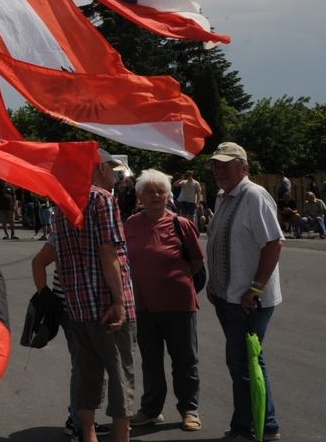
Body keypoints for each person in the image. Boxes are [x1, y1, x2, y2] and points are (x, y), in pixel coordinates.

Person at [49, 150, 136, 442]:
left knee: (88, 375)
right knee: (120, 374)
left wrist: (73, 297)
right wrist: (120, 302)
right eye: (112, 168)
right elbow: (108, 251)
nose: (115, 174)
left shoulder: (61, 202)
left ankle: (87, 435)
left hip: (78, 306)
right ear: (99, 168)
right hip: (106, 304)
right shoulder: (102, 199)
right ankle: (121, 437)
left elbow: (58, 257)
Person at [205, 142, 284, 441]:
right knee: (246, 361)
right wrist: (215, 285)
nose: (219, 170)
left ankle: (249, 429)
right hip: (229, 297)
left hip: (249, 300)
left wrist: (255, 288)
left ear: (244, 167)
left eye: (226, 164)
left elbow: (274, 243)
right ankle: (266, 426)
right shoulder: (224, 197)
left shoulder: (254, 195)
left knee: (243, 363)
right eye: (216, 165)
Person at [125, 169, 204, 432]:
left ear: (168, 195)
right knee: (151, 361)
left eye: (161, 191)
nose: (156, 195)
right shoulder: (130, 225)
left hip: (179, 304)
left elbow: (196, 262)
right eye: (150, 191)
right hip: (143, 306)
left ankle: (189, 409)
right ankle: (151, 410)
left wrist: (172, 280)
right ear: (139, 197)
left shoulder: (181, 224)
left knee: (185, 359)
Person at [31, 242, 110, 440]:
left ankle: (81, 419)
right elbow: (38, 262)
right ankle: (78, 424)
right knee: (83, 366)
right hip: (71, 311)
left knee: (93, 366)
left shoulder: (99, 228)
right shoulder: (61, 233)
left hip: (97, 309)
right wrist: (45, 299)